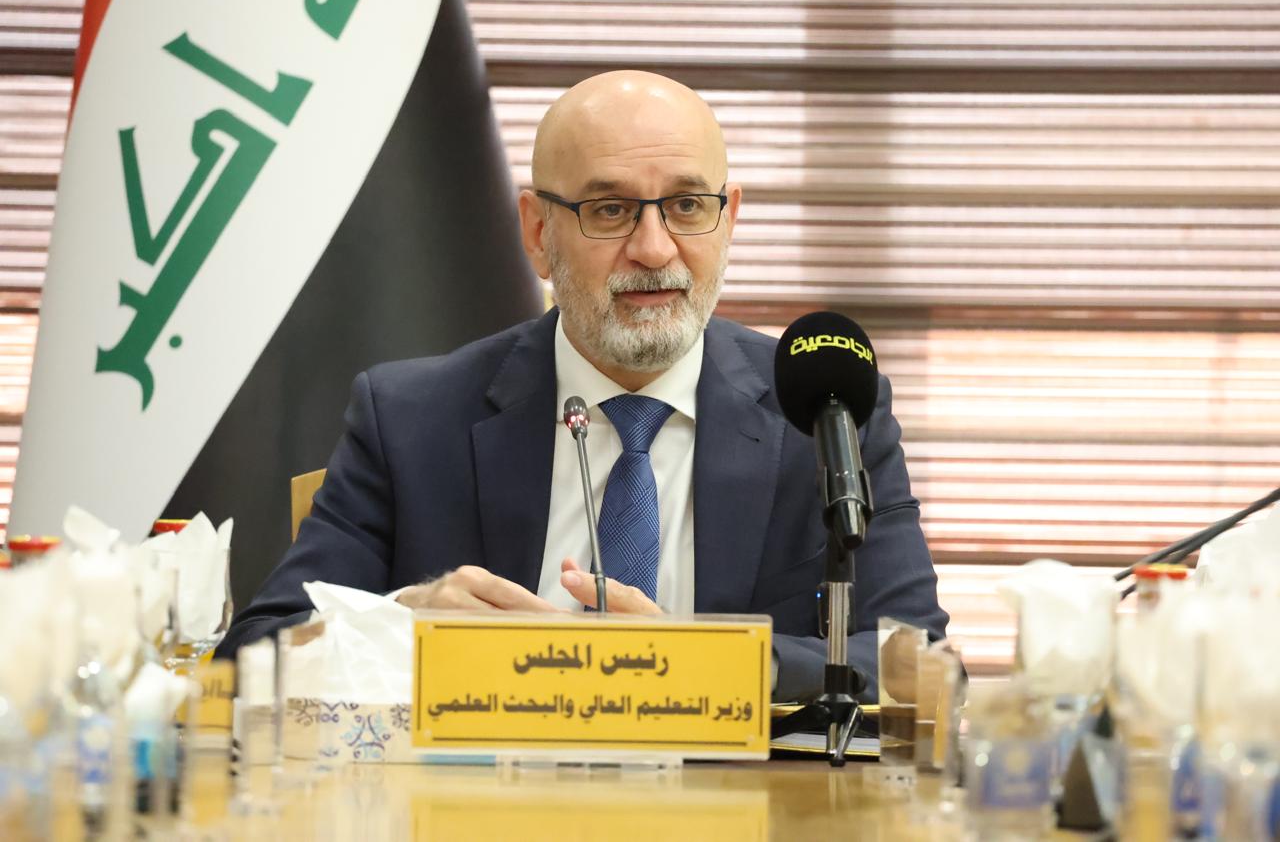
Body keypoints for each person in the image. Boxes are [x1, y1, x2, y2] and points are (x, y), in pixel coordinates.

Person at [220, 71, 949, 701]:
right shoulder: (410, 418)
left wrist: (697, 663)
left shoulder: (825, 411)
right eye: (610, 210)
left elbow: (918, 664)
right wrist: (403, 627)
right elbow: (253, 656)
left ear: (729, 218)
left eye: (687, 206)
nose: (655, 249)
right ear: (539, 232)